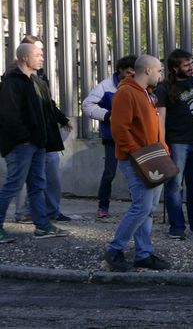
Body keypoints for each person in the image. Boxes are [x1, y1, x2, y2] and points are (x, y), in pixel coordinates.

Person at [103, 54, 171, 271]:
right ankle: (114, 249)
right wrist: (137, 153)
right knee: (142, 207)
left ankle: (143, 254)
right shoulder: (126, 92)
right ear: (148, 70)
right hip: (138, 160)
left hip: (152, 158)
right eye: (159, 70)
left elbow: (152, 127)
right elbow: (119, 130)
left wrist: (162, 149)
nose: (161, 74)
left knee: (148, 208)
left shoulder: (145, 92)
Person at [0, 43, 71, 243]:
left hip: (38, 143)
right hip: (21, 145)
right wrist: (24, 138)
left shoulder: (37, 81)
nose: (42, 58)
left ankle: (42, 225)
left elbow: (47, 106)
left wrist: (61, 120)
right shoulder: (12, 82)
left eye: (42, 54)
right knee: (13, 185)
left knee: (37, 185)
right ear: (24, 57)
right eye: (38, 55)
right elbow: (9, 115)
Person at [155, 49, 193, 240]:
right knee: (175, 186)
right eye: (187, 64)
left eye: (192, 63)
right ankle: (177, 226)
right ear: (175, 68)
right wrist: (161, 141)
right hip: (176, 142)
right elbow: (160, 116)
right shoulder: (164, 87)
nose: (191, 67)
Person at [83, 54, 137, 219]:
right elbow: (87, 105)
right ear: (120, 70)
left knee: (137, 173)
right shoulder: (105, 86)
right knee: (109, 172)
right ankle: (103, 206)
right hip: (112, 137)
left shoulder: (139, 84)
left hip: (135, 137)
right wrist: (108, 116)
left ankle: (138, 206)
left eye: (134, 73)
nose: (131, 76)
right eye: (128, 72)